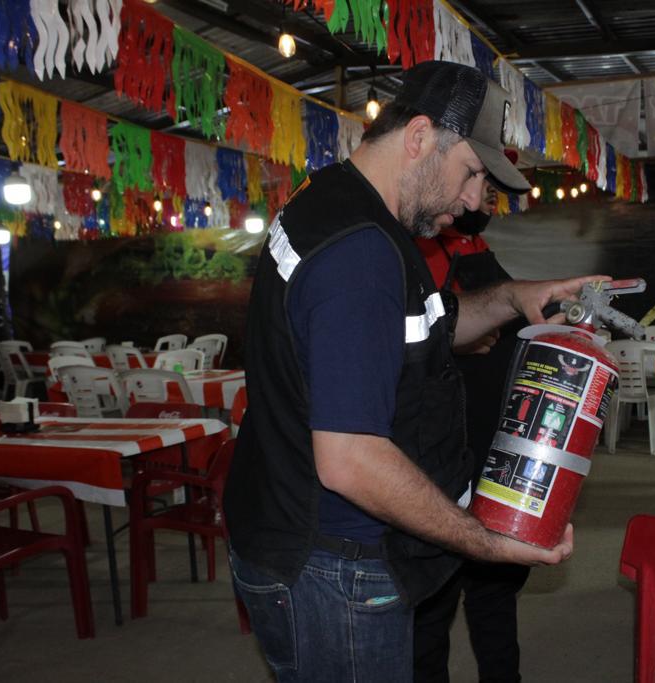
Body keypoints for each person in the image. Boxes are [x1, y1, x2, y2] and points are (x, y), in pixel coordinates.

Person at [224, 60, 602, 683]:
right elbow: (349, 459)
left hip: (290, 532)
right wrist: (483, 540)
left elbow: (422, 328)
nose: (475, 199)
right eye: (473, 173)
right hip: (334, 565)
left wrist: (513, 297)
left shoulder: (336, 201)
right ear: (421, 137)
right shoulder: (361, 253)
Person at [413, 175, 530, 683]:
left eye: (492, 190)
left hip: (491, 453)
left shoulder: (478, 247)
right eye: (479, 183)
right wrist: (452, 342)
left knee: (495, 597)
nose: (486, 198)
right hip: (437, 458)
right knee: (430, 609)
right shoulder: (414, 255)